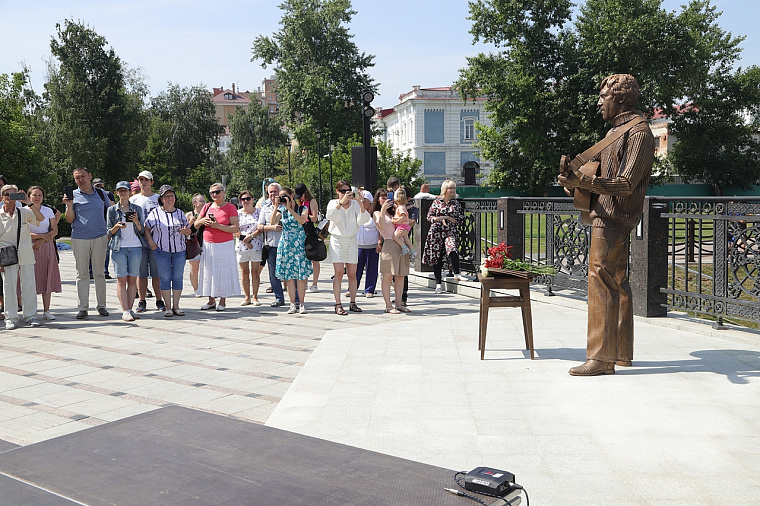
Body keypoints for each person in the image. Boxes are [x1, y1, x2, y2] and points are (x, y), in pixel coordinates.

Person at [557, 73, 655, 376]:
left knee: (600, 280)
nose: (599, 102)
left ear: (621, 98)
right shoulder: (618, 132)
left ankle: (600, 357)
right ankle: (621, 352)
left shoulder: (638, 132)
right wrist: (576, 183)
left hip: (614, 217)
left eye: (604, 96)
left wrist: (584, 180)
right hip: (607, 214)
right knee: (618, 282)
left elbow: (626, 183)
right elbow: (602, 175)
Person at [64, 166, 112, 319]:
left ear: (90, 176)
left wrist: (109, 233)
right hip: (79, 238)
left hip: (99, 237)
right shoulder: (73, 196)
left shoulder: (101, 193)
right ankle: (83, 308)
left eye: (83, 176)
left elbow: (110, 212)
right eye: (77, 177)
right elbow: (69, 219)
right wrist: (69, 205)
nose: (80, 180)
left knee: (99, 273)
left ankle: (101, 306)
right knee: (82, 274)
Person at [0, 184, 45, 328]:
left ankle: (31, 315)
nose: (9, 197)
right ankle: (11, 317)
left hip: (25, 253)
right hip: (7, 254)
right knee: (9, 286)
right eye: (6, 194)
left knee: (29, 286)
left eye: (13, 194)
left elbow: (41, 219)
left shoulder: (24, 212)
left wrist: (28, 202)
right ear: (2, 197)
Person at [145, 185, 192, 317]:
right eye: (166, 196)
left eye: (171, 196)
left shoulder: (180, 213)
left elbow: (189, 231)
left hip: (179, 250)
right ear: (161, 199)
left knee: (177, 277)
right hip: (161, 250)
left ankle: (176, 305)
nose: (170, 198)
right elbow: (146, 228)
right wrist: (151, 243)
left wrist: (185, 231)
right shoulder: (155, 213)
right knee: (165, 278)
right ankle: (167, 306)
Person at [194, 183, 241, 311]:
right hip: (208, 244)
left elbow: (235, 227)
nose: (214, 194)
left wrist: (217, 226)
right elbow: (196, 224)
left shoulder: (230, 207)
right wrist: (202, 221)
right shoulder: (207, 206)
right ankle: (211, 300)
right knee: (209, 271)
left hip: (224, 245)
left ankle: (223, 301)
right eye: (212, 193)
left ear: (224, 193)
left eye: (217, 192)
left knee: (223, 271)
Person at [326, 180, 369, 315]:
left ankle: (353, 302)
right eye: (343, 191)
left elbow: (363, 220)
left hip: (351, 239)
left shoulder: (355, 204)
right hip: (337, 239)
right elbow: (330, 216)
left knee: (352, 273)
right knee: (338, 273)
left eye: (348, 190)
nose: (346, 193)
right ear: (337, 191)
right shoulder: (333, 203)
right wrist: (341, 202)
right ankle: (338, 304)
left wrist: (360, 203)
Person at [422, 180, 472, 294]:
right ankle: (438, 284)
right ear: (445, 190)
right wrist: (437, 219)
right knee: (437, 257)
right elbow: (429, 216)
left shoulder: (456, 203)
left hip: (450, 231)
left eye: (454, 188)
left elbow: (459, 220)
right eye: (450, 188)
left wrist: (446, 217)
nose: (453, 190)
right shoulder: (436, 202)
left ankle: (457, 273)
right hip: (436, 231)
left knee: (452, 249)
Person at [106, 181, 146, 322]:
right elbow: (108, 232)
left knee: (132, 279)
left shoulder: (137, 209)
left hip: (135, 246)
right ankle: (125, 310)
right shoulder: (112, 210)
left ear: (130, 192)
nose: (123, 192)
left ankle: (130, 309)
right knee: (121, 279)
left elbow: (142, 230)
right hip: (119, 247)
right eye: (120, 190)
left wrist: (135, 221)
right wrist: (116, 227)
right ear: (116, 192)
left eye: (125, 190)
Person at [272, 187, 312, 314]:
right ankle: (292, 304)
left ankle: (302, 303)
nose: (283, 198)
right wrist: (276, 206)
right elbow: (273, 222)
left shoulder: (302, 209)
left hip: (299, 245)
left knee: (300, 276)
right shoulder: (281, 210)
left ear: (292, 195)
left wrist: (290, 208)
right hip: (286, 245)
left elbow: (301, 220)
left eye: (285, 196)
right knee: (288, 277)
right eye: (281, 196)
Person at [130, 170, 165, 313]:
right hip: (138, 240)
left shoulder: (158, 198)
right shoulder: (134, 199)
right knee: (141, 273)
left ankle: (159, 300)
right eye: (141, 180)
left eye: (146, 180)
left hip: (156, 240)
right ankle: (142, 300)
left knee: (156, 273)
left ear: (152, 182)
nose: (143, 182)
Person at [27, 186, 62, 321]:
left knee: (46, 277)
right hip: (29, 246)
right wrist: (40, 237)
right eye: (34, 195)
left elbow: (54, 230)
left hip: (46, 246)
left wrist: (41, 240)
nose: (37, 197)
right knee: (30, 278)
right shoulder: (24, 211)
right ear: (29, 196)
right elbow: (23, 232)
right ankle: (31, 310)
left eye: (39, 195)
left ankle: (47, 310)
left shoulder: (48, 211)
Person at [373, 190, 410, 314]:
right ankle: (388, 305)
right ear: (378, 199)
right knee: (388, 277)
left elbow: (405, 221)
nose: (385, 199)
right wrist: (383, 210)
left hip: (401, 244)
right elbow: (381, 226)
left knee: (400, 277)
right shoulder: (377, 213)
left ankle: (399, 304)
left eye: (386, 197)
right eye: (382, 197)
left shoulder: (395, 210)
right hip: (389, 244)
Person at [257, 182, 285, 307]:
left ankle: (295, 298)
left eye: (275, 191)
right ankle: (279, 298)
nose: (273, 194)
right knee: (273, 274)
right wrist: (272, 227)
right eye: (271, 192)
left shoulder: (286, 205)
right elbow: (259, 226)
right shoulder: (265, 207)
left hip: (286, 244)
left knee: (289, 272)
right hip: (271, 244)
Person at [237, 190, 264, 306]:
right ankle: (246, 296)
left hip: (256, 244)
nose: (246, 201)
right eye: (243, 199)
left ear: (253, 199)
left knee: (255, 272)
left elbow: (261, 227)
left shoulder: (259, 212)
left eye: (248, 199)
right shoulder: (237, 213)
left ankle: (255, 297)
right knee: (244, 272)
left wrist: (251, 236)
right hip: (242, 245)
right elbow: (234, 229)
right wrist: (245, 240)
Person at [295, 183, 321, 293]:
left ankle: (314, 284)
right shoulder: (299, 202)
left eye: (301, 195)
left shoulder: (312, 201)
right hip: (301, 230)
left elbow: (314, 218)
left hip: (309, 230)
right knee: (303, 258)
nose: (299, 198)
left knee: (314, 258)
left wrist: (303, 215)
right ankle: (304, 282)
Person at [356, 188, 379, 298]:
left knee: (372, 269)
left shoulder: (374, 214)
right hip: (359, 246)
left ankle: (369, 289)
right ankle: (352, 288)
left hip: (372, 246)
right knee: (356, 268)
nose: (362, 204)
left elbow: (380, 230)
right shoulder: (357, 213)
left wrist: (379, 243)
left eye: (364, 201)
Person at [93, 178, 114, 279]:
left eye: (100, 185)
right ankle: (90, 271)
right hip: (92, 226)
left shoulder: (107, 194)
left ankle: (105, 271)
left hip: (104, 224)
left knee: (106, 250)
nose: (99, 187)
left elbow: (112, 207)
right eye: (97, 186)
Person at [186, 193, 207, 294]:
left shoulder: (208, 214)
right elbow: (184, 230)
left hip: (206, 243)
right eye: (201, 201)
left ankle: (206, 289)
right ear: (195, 203)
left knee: (207, 268)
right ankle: (196, 289)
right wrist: (190, 223)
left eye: (204, 201)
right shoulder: (189, 214)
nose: (203, 203)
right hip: (193, 243)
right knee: (194, 268)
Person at [391, 188, 414, 256]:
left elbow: (403, 217)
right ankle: (413, 251)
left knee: (395, 237)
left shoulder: (400, 207)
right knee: (407, 240)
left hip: (401, 226)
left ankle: (404, 248)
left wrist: (395, 221)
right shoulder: (402, 206)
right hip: (405, 226)